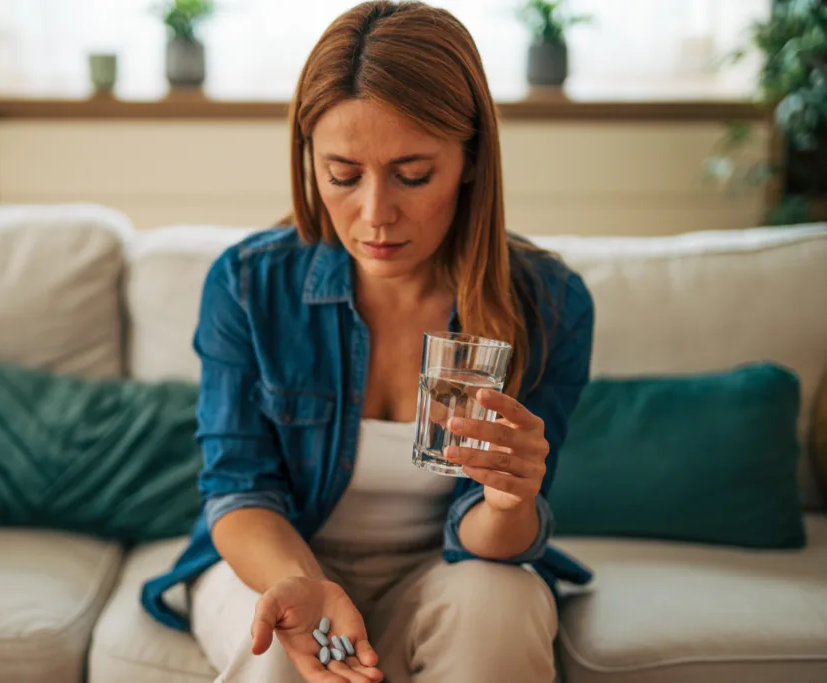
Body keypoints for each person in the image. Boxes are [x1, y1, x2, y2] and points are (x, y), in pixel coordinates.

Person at [142, 2, 596, 681]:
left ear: (471, 159)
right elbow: (239, 492)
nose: (375, 213)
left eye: (413, 174)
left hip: (445, 568)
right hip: (277, 554)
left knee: (501, 601)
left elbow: (490, 542)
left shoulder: (548, 303)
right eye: (343, 174)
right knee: (280, 643)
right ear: (309, 160)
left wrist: (511, 500)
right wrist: (305, 582)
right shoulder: (246, 285)